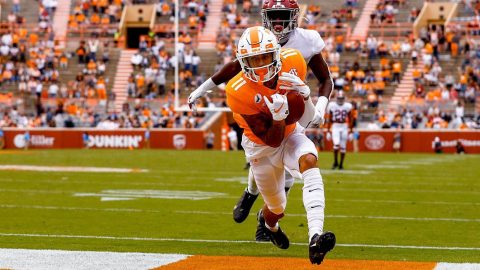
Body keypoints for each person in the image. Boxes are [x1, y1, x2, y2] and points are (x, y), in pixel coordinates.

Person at [188, 0, 334, 243]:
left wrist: (313, 102)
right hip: (262, 130)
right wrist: (203, 89)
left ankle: (305, 233)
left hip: (290, 114)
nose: (278, 22)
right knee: (266, 168)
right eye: (273, 16)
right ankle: (251, 193)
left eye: (283, 15)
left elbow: (325, 80)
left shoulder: (297, 54)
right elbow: (233, 68)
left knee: (301, 166)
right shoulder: (251, 55)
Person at [225, 26, 335, 265]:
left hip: (290, 133)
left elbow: (306, 121)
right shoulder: (237, 90)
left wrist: (305, 96)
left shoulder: (294, 61)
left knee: (310, 162)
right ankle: (269, 225)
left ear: (276, 53)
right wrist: (277, 115)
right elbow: (271, 140)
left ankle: (315, 236)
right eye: (254, 59)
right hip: (261, 149)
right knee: (276, 207)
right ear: (243, 62)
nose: (261, 64)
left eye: (265, 57)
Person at [326, 91, 353, 170]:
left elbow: (351, 119)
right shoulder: (332, 105)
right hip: (335, 126)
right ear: (336, 98)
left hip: (344, 126)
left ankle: (341, 165)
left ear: (344, 98)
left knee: (343, 147)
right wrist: (328, 131)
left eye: (342, 98)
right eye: (339, 98)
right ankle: (335, 162)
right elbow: (329, 119)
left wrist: (351, 131)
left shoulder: (348, 106)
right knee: (336, 144)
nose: (340, 100)